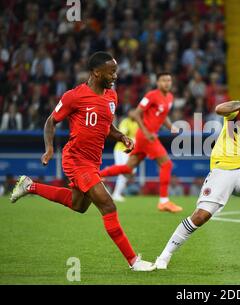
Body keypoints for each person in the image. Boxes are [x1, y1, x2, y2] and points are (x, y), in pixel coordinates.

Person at [9, 51, 155, 270]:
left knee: (78, 205)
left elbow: (107, 127)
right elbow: (50, 121)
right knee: (107, 204)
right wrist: (49, 149)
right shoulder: (74, 96)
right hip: (76, 159)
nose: (115, 76)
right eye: (111, 71)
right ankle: (134, 261)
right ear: (96, 72)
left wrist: (122, 137)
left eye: (116, 71)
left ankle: (30, 186)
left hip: (92, 161)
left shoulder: (111, 97)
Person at [154, 86, 240, 269]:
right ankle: (164, 255)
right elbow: (219, 109)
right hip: (223, 168)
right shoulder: (238, 111)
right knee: (201, 216)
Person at [99, 72, 183, 213]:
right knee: (166, 164)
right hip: (146, 136)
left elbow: (163, 116)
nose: (167, 83)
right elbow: (136, 113)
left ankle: (98, 175)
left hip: (148, 136)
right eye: (163, 80)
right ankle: (164, 201)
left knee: (128, 168)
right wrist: (145, 132)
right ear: (157, 82)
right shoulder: (151, 95)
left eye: (169, 80)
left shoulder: (169, 97)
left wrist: (171, 127)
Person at [110, 111, 139, 202]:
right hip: (120, 150)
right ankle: (116, 193)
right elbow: (123, 135)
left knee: (130, 171)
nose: (133, 114)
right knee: (123, 170)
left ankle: (116, 193)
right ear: (129, 114)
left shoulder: (138, 123)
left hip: (129, 151)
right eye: (132, 113)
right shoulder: (125, 121)